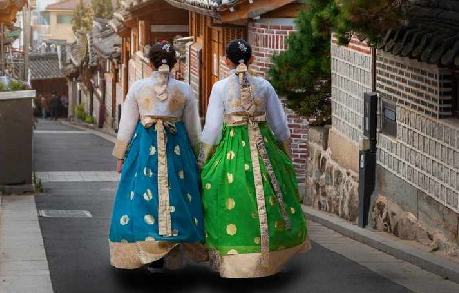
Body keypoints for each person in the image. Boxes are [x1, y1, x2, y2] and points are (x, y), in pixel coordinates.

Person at [199, 39, 309, 278]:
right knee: (271, 194)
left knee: (227, 195)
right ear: (252, 59)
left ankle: (236, 260)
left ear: (226, 61)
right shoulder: (264, 85)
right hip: (263, 145)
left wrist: (205, 158)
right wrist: (284, 151)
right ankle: (268, 259)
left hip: (232, 150)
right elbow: (280, 124)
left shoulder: (220, 87)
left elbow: (213, 127)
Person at [108, 41, 205, 271]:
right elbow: (193, 128)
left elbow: (127, 124)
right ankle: (172, 248)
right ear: (174, 64)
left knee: (143, 197)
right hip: (177, 150)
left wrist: (121, 156)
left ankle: (149, 248)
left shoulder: (138, 87)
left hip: (144, 149)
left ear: (150, 63)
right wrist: (199, 155)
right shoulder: (184, 89)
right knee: (178, 196)